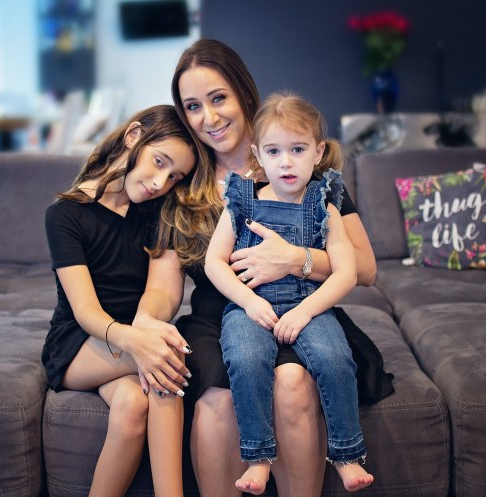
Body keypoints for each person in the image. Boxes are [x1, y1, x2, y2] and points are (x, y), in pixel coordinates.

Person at [134, 39, 390, 497]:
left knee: (292, 381)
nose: (209, 118)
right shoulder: (181, 185)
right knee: (217, 396)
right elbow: (165, 285)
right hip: (225, 316)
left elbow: (365, 268)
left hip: (304, 308)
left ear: (243, 93)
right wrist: (144, 325)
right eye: (193, 106)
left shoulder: (300, 166)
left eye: (218, 99)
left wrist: (298, 259)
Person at [205, 92, 374, 495]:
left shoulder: (324, 204)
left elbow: (348, 271)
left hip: (309, 304)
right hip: (252, 305)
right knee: (246, 359)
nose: (285, 161)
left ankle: (348, 454)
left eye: (297, 149)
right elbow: (215, 262)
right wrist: (248, 301)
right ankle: (258, 457)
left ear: (317, 153)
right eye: (274, 151)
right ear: (257, 155)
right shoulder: (241, 201)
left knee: (335, 359)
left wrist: (306, 311)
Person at [42, 104, 211, 497]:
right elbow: (84, 311)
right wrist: (135, 340)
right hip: (78, 342)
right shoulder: (65, 215)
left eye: (174, 176)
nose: (160, 182)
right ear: (134, 135)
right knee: (166, 355)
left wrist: (144, 329)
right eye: (158, 162)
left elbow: (159, 290)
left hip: (131, 335)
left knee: (134, 403)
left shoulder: (157, 212)